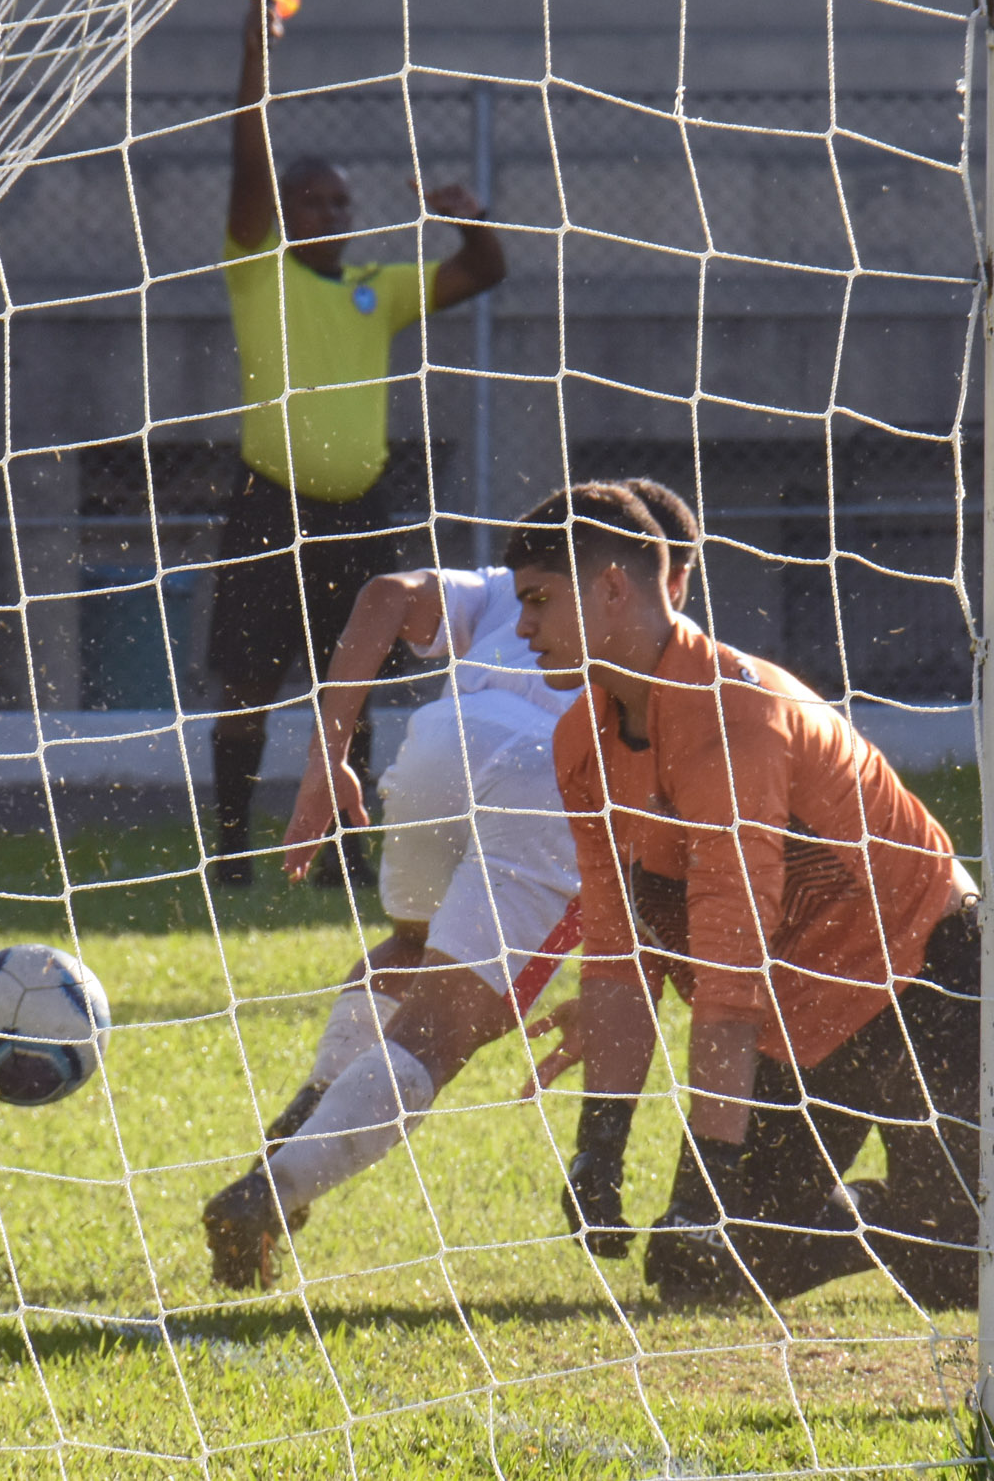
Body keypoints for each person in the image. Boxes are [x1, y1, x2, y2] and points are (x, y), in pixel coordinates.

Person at [506, 483, 994, 1310]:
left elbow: (729, 980)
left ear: (614, 589)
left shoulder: (737, 719)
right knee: (705, 1272)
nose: (522, 629)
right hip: (800, 1026)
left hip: (926, 979)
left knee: (991, 1269)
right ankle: (911, 1220)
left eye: (539, 602)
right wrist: (600, 1148)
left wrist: (708, 1184)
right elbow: (622, 954)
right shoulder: (579, 743)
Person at [201, 483, 699, 1289]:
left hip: (439, 743)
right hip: (548, 778)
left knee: (410, 948)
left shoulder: (520, 585)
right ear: (665, 576)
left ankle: (291, 1137)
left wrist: (329, 753)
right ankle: (273, 1191)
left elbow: (385, 596)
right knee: (447, 1027)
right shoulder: (670, 641)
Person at [209, 0, 507, 887]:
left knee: (356, 681)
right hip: (270, 502)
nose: (336, 214)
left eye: (344, 201)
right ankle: (231, 852)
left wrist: (470, 216)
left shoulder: (377, 285)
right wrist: (255, 47)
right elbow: (248, 151)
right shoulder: (257, 269)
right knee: (245, 687)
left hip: (361, 508)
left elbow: (485, 269)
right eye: (317, 200)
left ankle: (342, 851)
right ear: (288, 211)